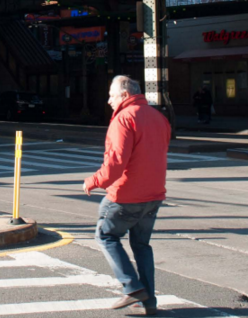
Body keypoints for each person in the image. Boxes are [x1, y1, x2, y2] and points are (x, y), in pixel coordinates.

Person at [83, 75, 170, 316]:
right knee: (141, 245)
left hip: (125, 196)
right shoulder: (159, 118)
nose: (108, 100)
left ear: (125, 95)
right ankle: (148, 301)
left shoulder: (123, 119)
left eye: (111, 95)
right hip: (154, 195)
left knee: (106, 236)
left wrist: (93, 181)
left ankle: (131, 287)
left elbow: (115, 164)